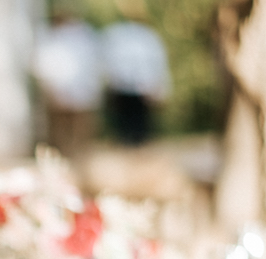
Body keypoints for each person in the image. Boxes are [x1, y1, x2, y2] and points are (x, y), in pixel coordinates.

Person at [32, 14, 103, 160]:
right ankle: (65, 157)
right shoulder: (56, 39)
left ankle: (76, 157)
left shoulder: (80, 39)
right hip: (66, 92)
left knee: (77, 130)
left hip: (77, 93)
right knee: (62, 131)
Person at [100, 18, 171, 145]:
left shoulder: (123, 36)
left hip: (135, 88)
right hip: (130, 87)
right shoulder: (147, 37)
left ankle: (137, 151)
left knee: (136, 125)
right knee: (129, 125)